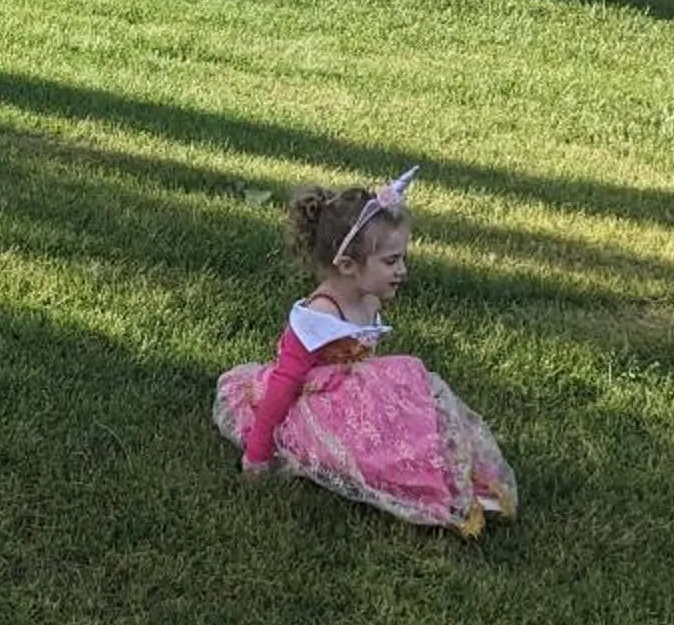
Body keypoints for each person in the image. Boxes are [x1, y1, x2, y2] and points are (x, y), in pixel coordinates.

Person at [214, 171, 517, 536]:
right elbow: (283, 385)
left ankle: (460, 479)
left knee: (417, 399)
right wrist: (257, 455)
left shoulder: (368, 299)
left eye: (402, 258)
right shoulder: (320, 316)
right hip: (314, 406)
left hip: (353, 395)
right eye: (391, 262)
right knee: (377, 454)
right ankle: (430, 491)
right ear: (347, 266)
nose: (402, 270)